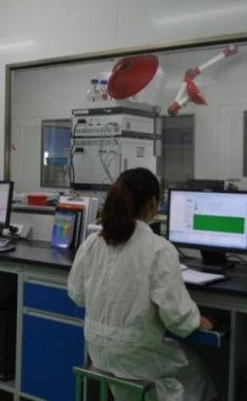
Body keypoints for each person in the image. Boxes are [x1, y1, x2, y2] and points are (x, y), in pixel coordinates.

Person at [68, 168, 217, 401]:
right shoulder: (159, 249)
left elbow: (77, 295)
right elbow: (176, 318)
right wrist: (199, 321)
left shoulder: (93, 243)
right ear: (153, 203)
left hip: (98, 352)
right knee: (197, 368)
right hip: (137, 359)